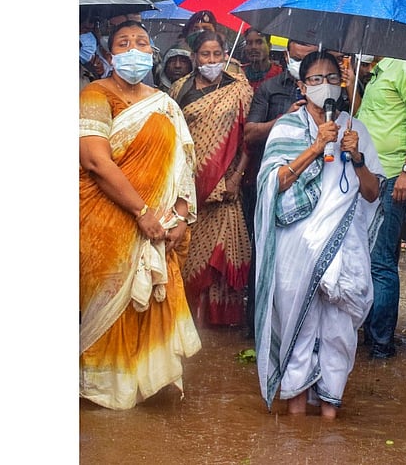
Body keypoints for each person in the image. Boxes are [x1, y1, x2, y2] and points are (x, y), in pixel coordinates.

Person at [254, 51, 384, 419]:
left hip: (345, 247)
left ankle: (329, 423)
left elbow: (373, 193)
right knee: (299, 331)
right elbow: (272, 185)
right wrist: (315, 148)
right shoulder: (287, 128)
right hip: (297, 248)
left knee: (338, 335)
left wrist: (356, 157)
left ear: (342, 84)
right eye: (315, 79)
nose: (324, 85)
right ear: (302, 86)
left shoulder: (356, 129)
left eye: (331, 78)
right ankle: (296, 427)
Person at [79, 20, 201, 410]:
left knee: (149, 302)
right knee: (107, 301)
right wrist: (141, 211)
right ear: (110, 54)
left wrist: (180, 216)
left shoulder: (165, 104)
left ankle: (144, 383)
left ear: (152, 54)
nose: (133, 49)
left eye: (141, 42)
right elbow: (95, 160)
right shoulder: (95, 94)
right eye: (123, 43)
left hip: (158, 228)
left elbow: (182, 165)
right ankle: (103, 391)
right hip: (105, 223)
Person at [169, 30, 255, 327]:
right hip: (189, 184)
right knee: (189, 252)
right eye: (205, 55)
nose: (212, 60)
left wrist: (236, 177)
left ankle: (221, 321)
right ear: (194, 57)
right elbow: (173, 137)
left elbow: (248, 139)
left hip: (226, 186)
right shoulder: (179, 90)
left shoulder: (239, 90)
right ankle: (189, 319)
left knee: (222, 253)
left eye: (217, 54)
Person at [356, 56, 406, 359]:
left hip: (391, 176)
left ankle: (381, 346)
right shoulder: (375, 72)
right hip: (366, 177)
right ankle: (368, 335)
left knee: (380, 261)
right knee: (364, 258)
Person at [241, 39, 320, 337]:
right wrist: (284, 120)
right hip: (269, 184)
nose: (301, 63)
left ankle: (299, 326)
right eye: (297, 57)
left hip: (312, 188)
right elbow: (249, 133)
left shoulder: (326, 90)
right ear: (287, 55)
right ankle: (258, 325)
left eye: (308, 58)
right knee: (262, 250)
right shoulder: (270, 88)